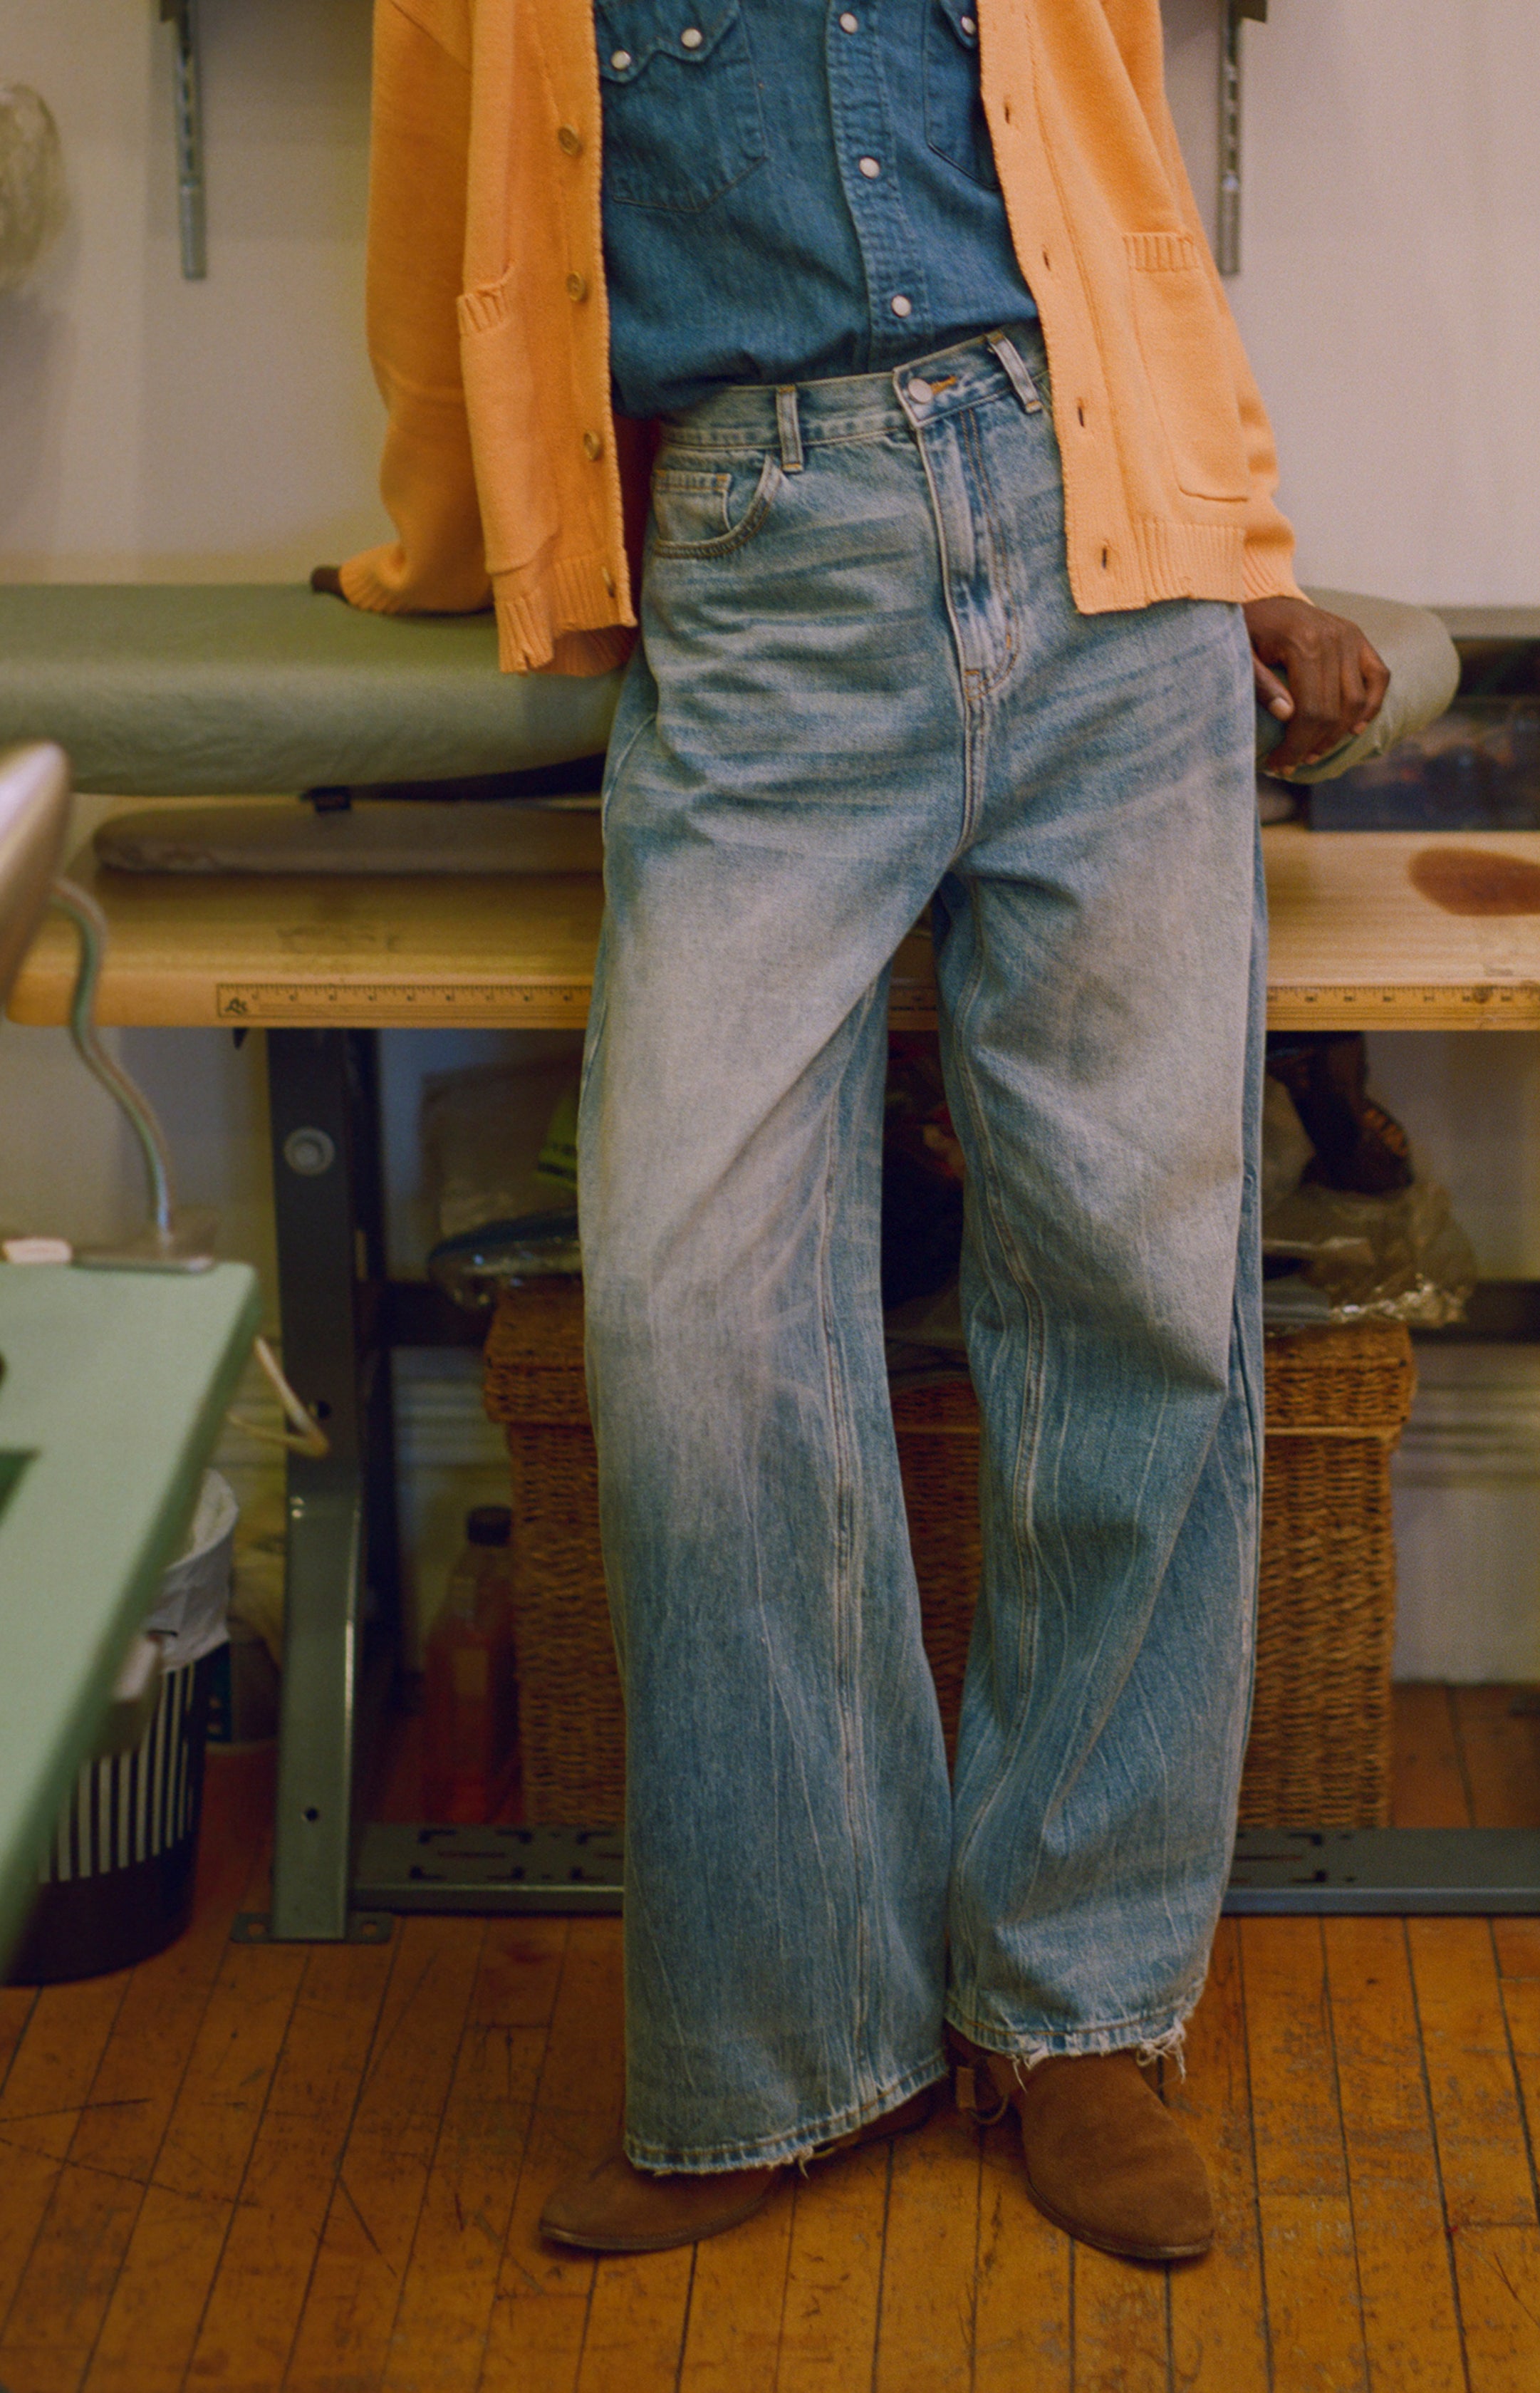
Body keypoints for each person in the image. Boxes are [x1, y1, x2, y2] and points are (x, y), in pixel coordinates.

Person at [324, 0, 1388, 2265]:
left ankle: (1080, 2003)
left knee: (1137, 1295)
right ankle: (791, 2040)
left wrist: (1253, 544)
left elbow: (1117, 170)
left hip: (1111, 555)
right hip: (756, 564)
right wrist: (457, 549)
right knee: (695, 1322)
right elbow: (451, 235)